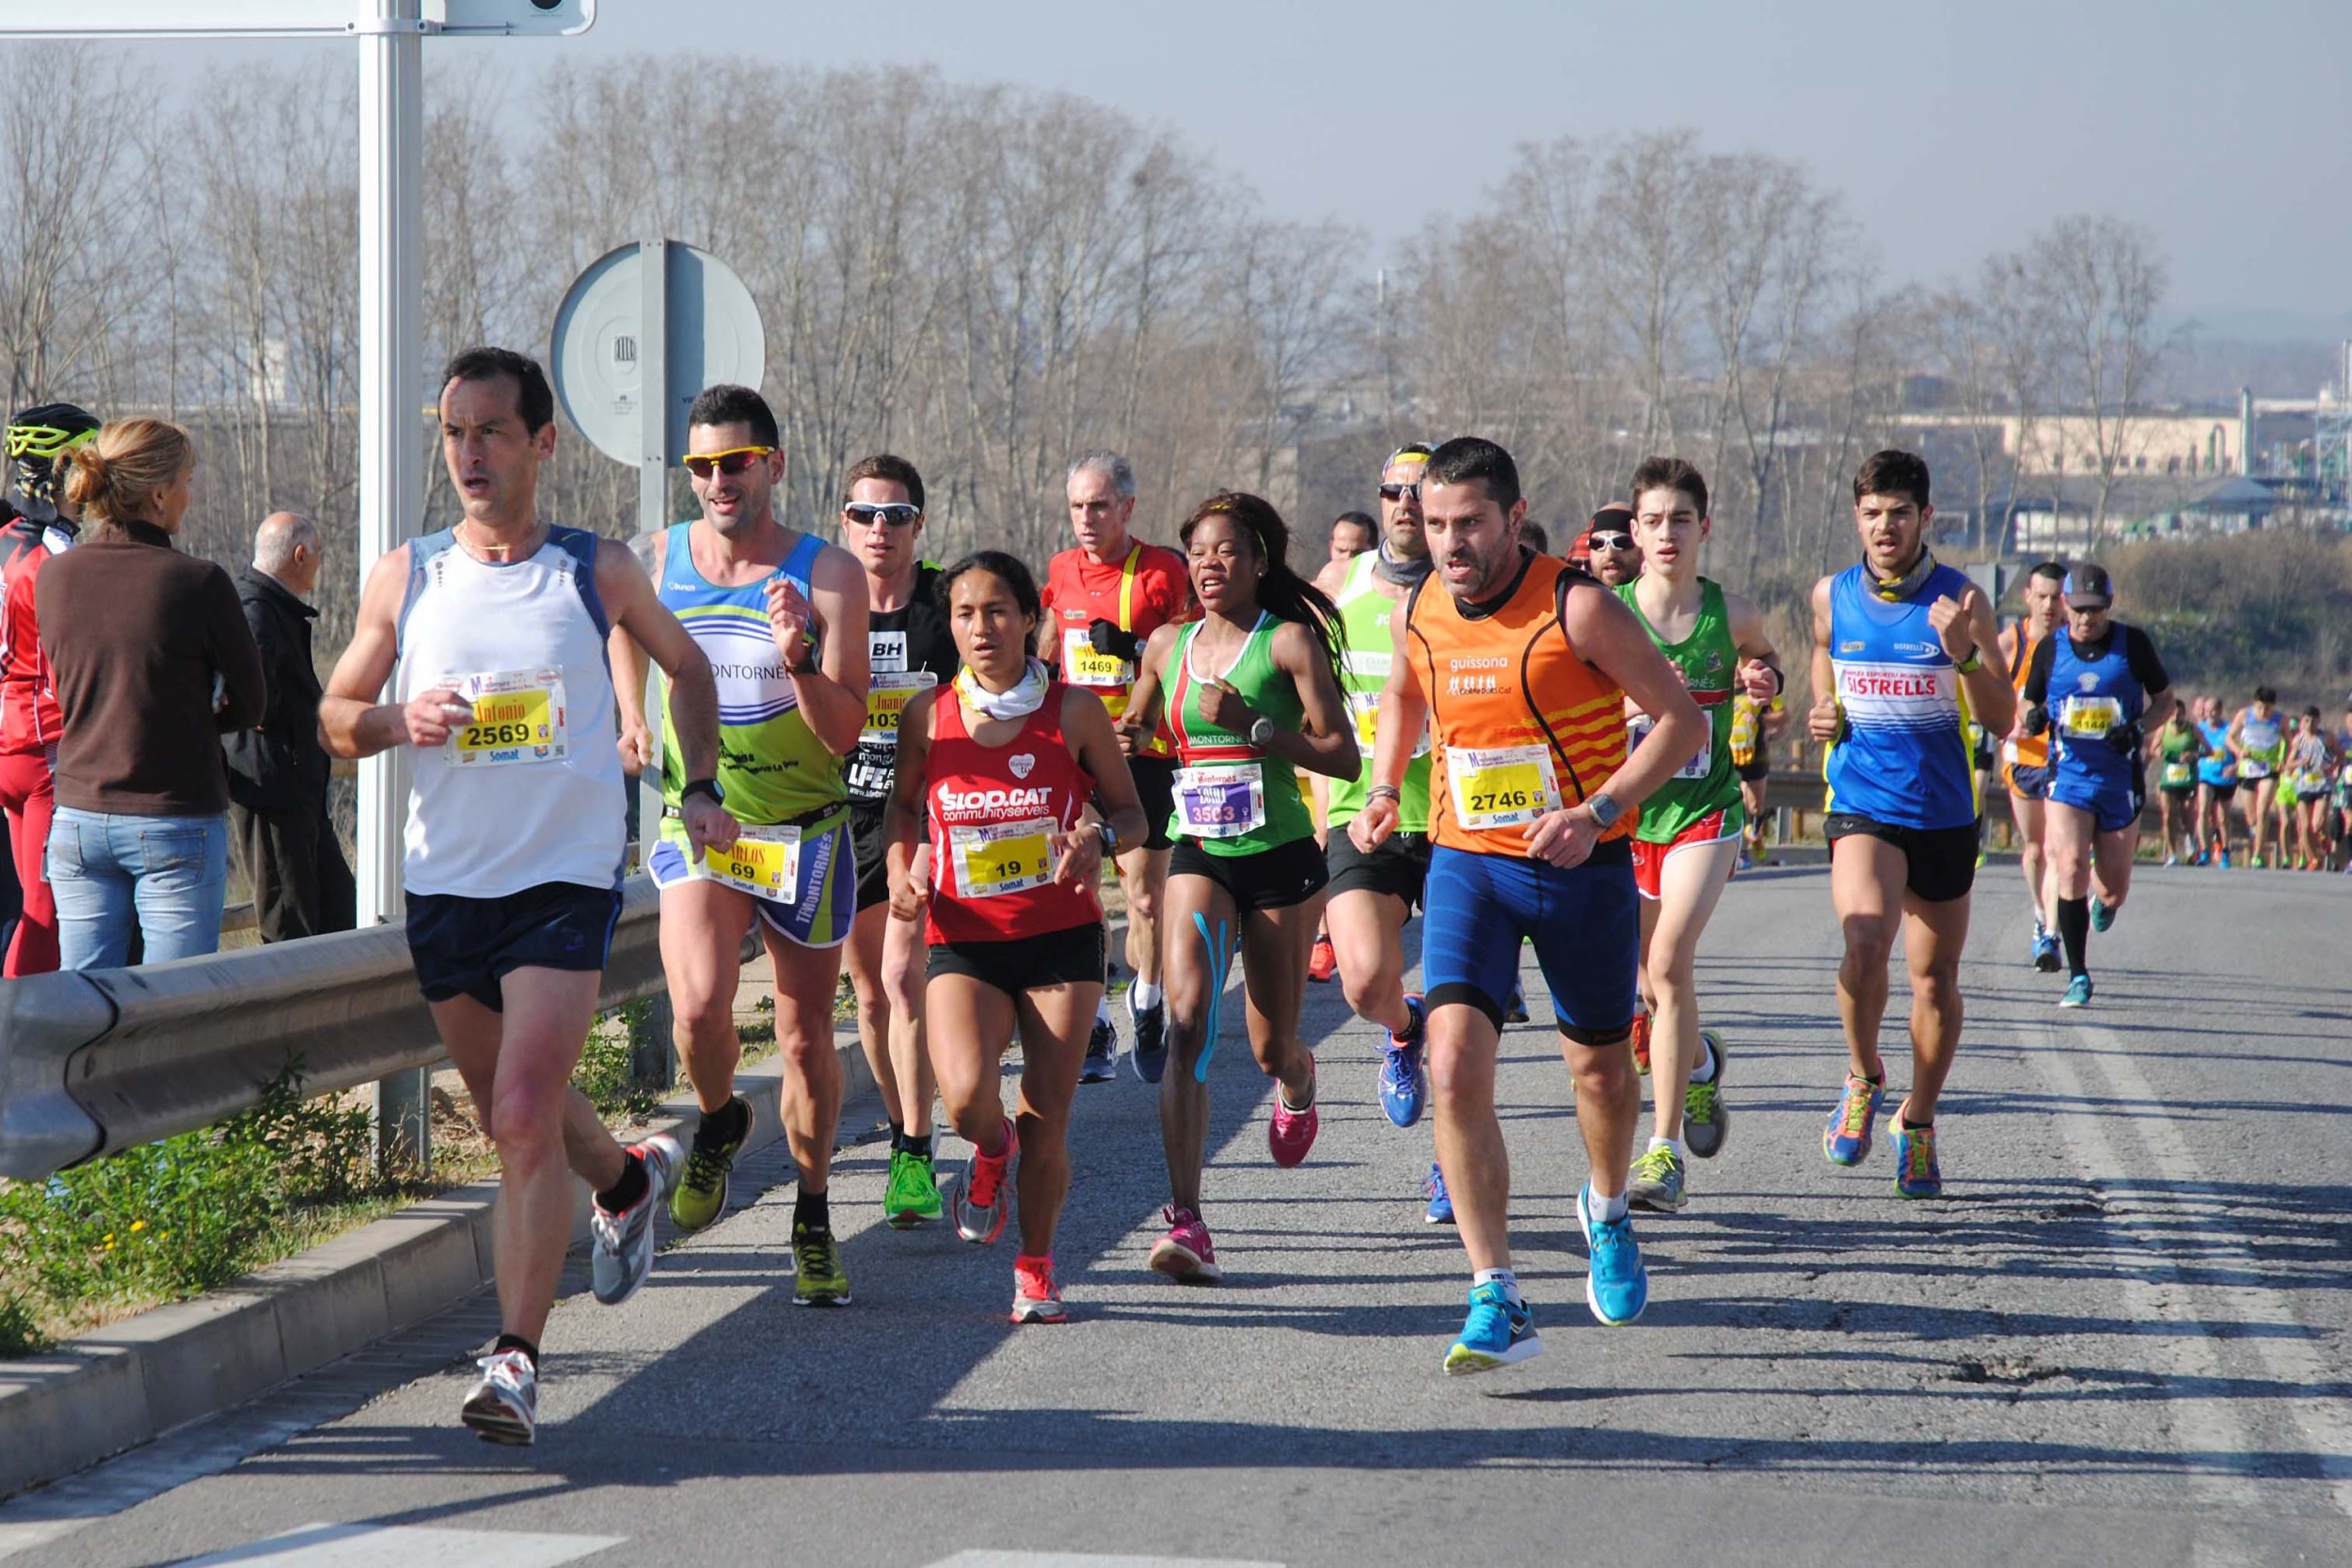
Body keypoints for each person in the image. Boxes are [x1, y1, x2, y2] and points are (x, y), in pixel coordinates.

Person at [319, 347, 724, 1444]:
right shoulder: (408, 573)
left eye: (491, 431)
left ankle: (514, 1359)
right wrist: (402, 719)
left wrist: (701, 791)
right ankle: (627, 1181)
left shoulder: (594, 571)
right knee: (521, 1100)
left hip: (563, 877)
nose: (469, 454)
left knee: (511, 1115)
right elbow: (336, 714)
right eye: (453, 432)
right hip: (447, 880)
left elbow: (688, 670)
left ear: (541, 443)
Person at [1359, 436, 1705, 1374]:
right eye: (1435, 524)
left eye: (1469, 521)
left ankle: (1605, 1204)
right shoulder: (1423, 604)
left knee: (1597, 1072)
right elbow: (1401, 693)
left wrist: (1597, 814)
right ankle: (1494, 1290)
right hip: (1468, 861)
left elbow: (1682, 721)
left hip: (1576, 863)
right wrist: (1384, 785)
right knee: (1455, 1057)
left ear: (1514, 517)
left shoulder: (1576, 604)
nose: (1450, 542)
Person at [611, 384, 868, 1306]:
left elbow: (843, 733)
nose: (717, 481)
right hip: (703, 820)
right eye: (701, 467)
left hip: (805, 832)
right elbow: (617, 620)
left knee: (803, 1040)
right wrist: (632, 710)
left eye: (735, 462)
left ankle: (811, 1210)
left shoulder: (829, 573)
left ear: (773, 465)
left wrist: (798, 654)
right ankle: (719, 1121)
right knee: (694, 1008)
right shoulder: (657, 556)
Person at [882, 551, 1148, 1323]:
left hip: (1060, 935)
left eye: (997, 611)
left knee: (1047, 1114)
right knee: (966, 1102)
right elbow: (902, 809)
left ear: (1031, 616)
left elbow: (1132, 815)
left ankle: (1035, 1267)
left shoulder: (1074, 712)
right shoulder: (926, 715)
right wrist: (905, 864)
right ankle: (986, 1152)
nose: (981, 628)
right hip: (964, 936)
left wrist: (1100, 833)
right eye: (964, 614)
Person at [1120, 490, 1355, 1283]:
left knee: (1267, 1045)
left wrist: (1260, 726)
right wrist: (1122, 737)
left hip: (1282, 855)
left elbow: (1342, 755)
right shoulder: (1166, 644)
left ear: (1259, 561)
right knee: (1188, 1025)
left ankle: (1298, 1079)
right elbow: (1140, 728)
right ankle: (1187, 1219)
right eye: (1198, 552)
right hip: (1201, 851)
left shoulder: (1287, 644)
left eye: (1226, 551)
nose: (1210, 564)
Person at [1806, 451, 2012, 1198]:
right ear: (1856, 518)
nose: (1884, 526)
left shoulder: (1964, 600)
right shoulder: (1831, 595)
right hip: (1862, 799)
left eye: (1898, 512)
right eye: (1870, 513)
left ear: (1926, 518)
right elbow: (1822, 656)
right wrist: (1821, 705)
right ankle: (1863, 1076)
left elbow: (2003, 715)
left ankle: (1917, 1121)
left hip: (1944, 811)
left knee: (1935, 980)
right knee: (1865, 941)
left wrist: (1962, 657)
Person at [1614, 458, 1782, 1214]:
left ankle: (1664, 1150)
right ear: (1635, 532)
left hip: (1704, 812)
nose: (1666, 533)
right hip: (1627, 820)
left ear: (1703, 527)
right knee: (1643, 988)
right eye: (1652, 520)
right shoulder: (1606, 613)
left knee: (1668, 960)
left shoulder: (1731, 613)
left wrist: (1763, 680)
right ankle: (1704, 1060)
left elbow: (1766, 658)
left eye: (1680, 519)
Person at [39, 418, 264, 970]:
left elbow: (79, 680)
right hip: (174, 816)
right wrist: (191, 713)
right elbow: (253, 703)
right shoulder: (198, 582)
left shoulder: (55, 577)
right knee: (172, 1013)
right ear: (159, 495)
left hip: (77, 816)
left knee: (85, 1015)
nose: (190, 494)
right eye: (187, 479)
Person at [1313, 444, 1446, 1214]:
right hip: (1361, 810)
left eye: (1417, 493)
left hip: (1460, 814)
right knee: (1365, 979)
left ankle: (1451, 1164)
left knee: (1467, 1014)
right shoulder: (1339, 585)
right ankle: (1403, 1029)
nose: (1402, 505)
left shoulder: (1467, 591)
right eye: (1392, 491)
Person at [1041, 451, 1196, 1082]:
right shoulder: (1060, 569)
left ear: (1127, 508)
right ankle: (1097, 1019)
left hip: (1144, 755)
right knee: (1074, 886)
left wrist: (1133, 647)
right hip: (1076, 757)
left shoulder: (1161, 571)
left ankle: (1149, 997)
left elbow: (1190, 654)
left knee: (1144, 898)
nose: (1086, 517)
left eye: (1099, 505)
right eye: (1077, 505)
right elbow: (1051, 645)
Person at [836, 453, 957, 1229]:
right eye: (864, 514)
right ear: (842, 522)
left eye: (895, 514)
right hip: (839, 813)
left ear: (918, 525)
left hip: (918, 813)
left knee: (903, 978)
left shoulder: (948, 605)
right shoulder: (821, 603)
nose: (880, 528)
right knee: (871, 996)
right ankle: (906, 1130)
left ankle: (915, 1145)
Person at [2017, 563, 2170, 1008]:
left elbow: (2165, 702)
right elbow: (2030, 701)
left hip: (2119, 777)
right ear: (2065, 605)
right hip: (2069, 775)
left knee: (2112, 888)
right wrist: (2034, 716)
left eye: (2096, 611)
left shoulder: (2133, 645)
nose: (2087, 620)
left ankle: (2106, 903)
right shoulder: (2051, 649)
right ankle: (2079, 975)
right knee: (2068, 866)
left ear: (2110, 605)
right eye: (2079, 610)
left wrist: (2137, 729)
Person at [224, 513, 356, 942]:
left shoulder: (270, 609)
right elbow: (254, 705)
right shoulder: (256, 612)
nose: (319, 565)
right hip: (272, 791)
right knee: (290, 924)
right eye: (317, 555)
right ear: (300, 555)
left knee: (337, 909)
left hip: (296, 789)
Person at [0, 401, 98, 975]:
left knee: (31, 909)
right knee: (45, 914)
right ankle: (17, 1051)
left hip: (10, 743)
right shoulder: (58, 553)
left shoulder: (6, 536)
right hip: (47, 751)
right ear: (62, 468)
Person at [1996, 562, 2065, 969]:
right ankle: (2040, 914)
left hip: (2063, 761)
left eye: (2056, 597)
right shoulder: (2011, 643)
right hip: (2023, 760)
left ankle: (2052, 937)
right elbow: (1983, 697)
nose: (2049, 605)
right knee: (2036, 850)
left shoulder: (2075, 645)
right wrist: (2010, 724)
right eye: (2041, 596)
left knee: (2058, 850)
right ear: (2028, 597)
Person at [2228, 687, 2287, 869]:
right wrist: (2239, 751)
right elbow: (2229, 738)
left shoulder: (2280, 719)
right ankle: (2256, 830)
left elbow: (2290, 743)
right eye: (2261, 707)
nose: (2264, 712)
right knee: (2252, 818)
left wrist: (2283, 760)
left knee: (2263, 811)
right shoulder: (2244, 715)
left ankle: (2257, 855)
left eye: (2268, 708)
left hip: (2269, 770)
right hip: (2248, 770)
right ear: (2254, 703)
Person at [2282, 706, 2334, 871]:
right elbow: (2288, 764)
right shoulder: (2298, 740)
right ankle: (2313, 859)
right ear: (2302, 722)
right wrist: (2299, 763)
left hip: (2322, 785)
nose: (2310, 724)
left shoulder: (2326, 737)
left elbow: (2340, 754)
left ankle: (2322, 836)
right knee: (2304, 827)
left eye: (2313, 721)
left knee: (2316, 824)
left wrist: (2332, 767)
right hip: (2304, 785)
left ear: (2319, 722)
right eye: (2306, 721)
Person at [2149, 703, 2200, 866]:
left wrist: (2193, 754)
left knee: (2187, 816)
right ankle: (2172, 854)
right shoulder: (2163, 729)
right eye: (2172, 715)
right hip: (2169, 779)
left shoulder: (2192, 729)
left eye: (2179, 714)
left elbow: (2208, 750)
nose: (2175, 718)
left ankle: (2190, 840)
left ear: (2184, 715)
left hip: (2187, 779)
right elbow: (2153, 748)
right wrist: (2159, 752)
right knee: (2168, 815)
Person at [2194, 694, 2239, 866]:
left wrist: (2234, 768)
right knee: (2203, 810)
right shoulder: (2199, 729)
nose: (2210, 714)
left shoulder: (2229, 730)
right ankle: (2205, 851)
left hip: (2225, 779)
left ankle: (2226, 850)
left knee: (2222, 817)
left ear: (2220, 711)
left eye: (2213, 710)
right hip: (2206, 776)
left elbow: (2240, 754)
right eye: (2207, 711)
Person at [1582, 503, 1642, 588]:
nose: (1609, 554)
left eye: (1622, 542)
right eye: (1598, 543)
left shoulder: (1661, 599)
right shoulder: (1577, 599)